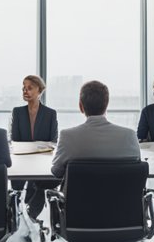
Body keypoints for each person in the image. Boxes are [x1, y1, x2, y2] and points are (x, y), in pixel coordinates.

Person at [23, 80, 139, 222]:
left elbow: (56, 172)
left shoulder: (68, 136)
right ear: (106, 105)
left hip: (77, 219)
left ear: (81, 106)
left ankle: (29, 215)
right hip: (121, 219)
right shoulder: (129, 136)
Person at [10, 75, 58, 143]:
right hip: (23, 152)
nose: (25, 91)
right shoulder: (17, 112)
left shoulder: (50, 113)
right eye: (24, 88)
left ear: (39, 90)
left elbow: (54, 142)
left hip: (44, 153)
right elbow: (15, 140)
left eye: (29, 88)